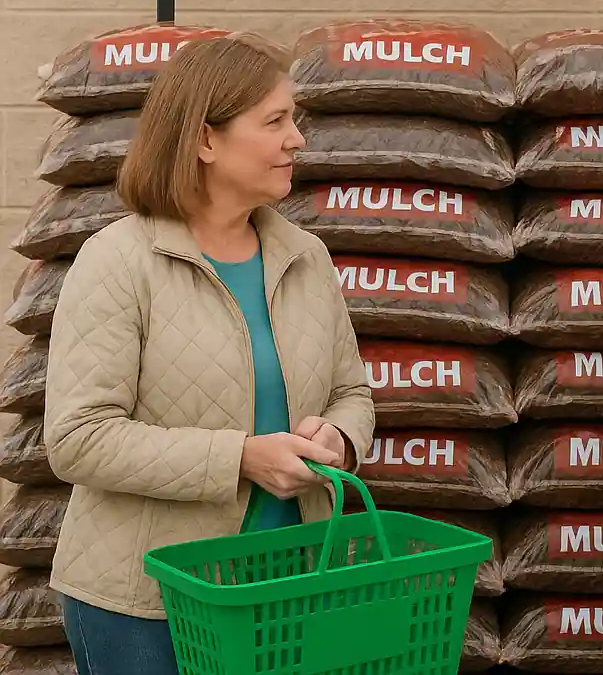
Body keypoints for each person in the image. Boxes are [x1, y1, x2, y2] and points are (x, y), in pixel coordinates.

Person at [43, 34, 375, 675]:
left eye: (294, 120)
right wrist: (241, 458)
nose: (297, 140)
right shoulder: (118, 261)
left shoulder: (306, 257)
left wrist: (338, 437)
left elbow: (351, 393)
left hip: (288, 590)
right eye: (275, 121)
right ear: (204, 140)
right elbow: (78, 438)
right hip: (146, 606)